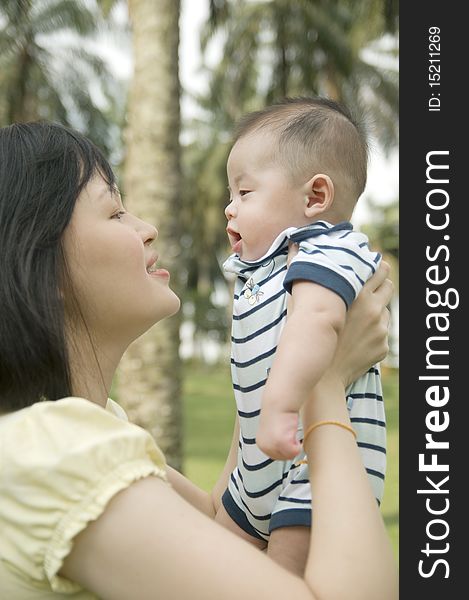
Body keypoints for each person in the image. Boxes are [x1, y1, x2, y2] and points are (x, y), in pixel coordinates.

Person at [0, 121, 397, 599]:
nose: (148, 229)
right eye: (116, 213)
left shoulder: (89, 428)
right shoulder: (57, 453)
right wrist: (327, 387)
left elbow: (218, 522)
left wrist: (269, 357)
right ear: (41, 263)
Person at [220, 97, 387, 574]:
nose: (229, 209)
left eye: (244, 193)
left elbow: (317, 319)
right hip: (256, 468)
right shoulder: (264, 269)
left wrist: (280, 407)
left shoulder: (328, 249)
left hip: (314, 462)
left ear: (315, 197)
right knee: (216, 556)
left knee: (283, 576)